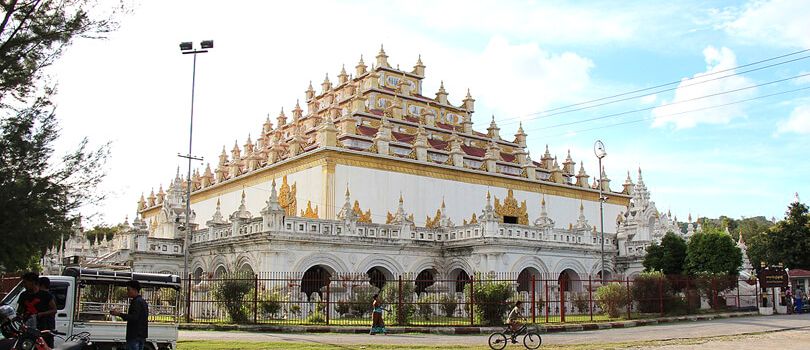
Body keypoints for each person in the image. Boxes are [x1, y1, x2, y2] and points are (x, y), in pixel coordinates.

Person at [16, 272, 56, 348]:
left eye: (25, 282)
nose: (24, 285)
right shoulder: (23, 295)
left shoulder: (46, 295)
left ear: (33, 282)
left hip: (44, 330)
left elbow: (54, 310)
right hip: (28, 330)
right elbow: (19, 311)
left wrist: (40, 314)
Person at [110, 280, 149, 350]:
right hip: (141, 335)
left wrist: (118, 314)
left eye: (128, 290)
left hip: (134, 336)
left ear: (135, 290)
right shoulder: (143, 302)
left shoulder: (136, 302)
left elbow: (134, 317)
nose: (127, 292)